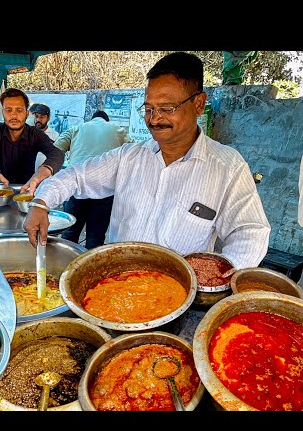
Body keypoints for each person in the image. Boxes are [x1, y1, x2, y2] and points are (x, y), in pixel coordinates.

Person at [24, 52, 270, 271]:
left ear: (198, 104)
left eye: (167, 107)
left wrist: (217, 278)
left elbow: (250, 232)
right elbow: (76, 176)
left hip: (182, 299)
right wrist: (41, 202)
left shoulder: (227, 167)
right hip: (117, 286)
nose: (154, 119)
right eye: (149, 108)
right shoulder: (128, 156)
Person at [0, 87, 65, 200]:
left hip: (28, 189)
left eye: (19, 110)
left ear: (26, 114)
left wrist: (44, 170)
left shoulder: (35, 134)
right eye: (9, 110)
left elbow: (57, 153)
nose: (14, 115)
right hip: (3, 189)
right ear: (3, 113)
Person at [55, 110, 133, 249]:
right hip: (105, 189)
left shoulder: (77, 128)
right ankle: (89, 268)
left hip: (77, 186)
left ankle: (66, 265)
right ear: (106, 121)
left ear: (91, 119)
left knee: (70, 233)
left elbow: (56, 148)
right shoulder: (117, 130)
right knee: (95, 236)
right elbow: (134, 151)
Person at [31, 102, 60, 170]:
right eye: (36, 116)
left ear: (48, 118)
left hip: (44, 178)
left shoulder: (55, 136)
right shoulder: (28, 133)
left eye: (42, 117)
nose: (38, 120)